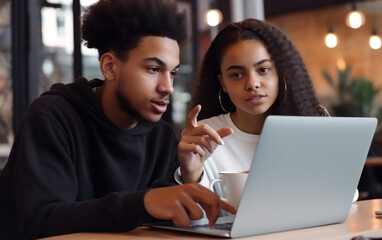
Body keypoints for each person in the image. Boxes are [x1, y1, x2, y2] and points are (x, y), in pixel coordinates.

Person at [0, 1, 235, 239]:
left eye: (172, 73)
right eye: (154, 69)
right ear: (110, 67)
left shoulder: (160, 136)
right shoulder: (52, 116)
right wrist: (143, 203)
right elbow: (40, 220)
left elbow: (166, 220)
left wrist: (189, 174)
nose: (168, 87)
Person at [177, 18, 329, 191]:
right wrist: (191, 174)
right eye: (236, 75)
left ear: (280, 73)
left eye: (263, 70)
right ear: (223, 83)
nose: (252, 83)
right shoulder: (205, 136)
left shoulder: (312, 124)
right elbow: (197, 216)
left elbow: (341, 194)